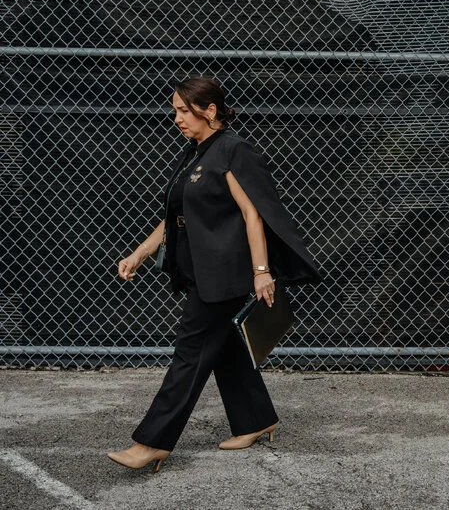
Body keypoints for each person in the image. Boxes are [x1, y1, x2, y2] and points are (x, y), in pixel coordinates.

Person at [108, 77, 322, 472]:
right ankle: (257, 419)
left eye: (183, 111)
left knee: (190, 354)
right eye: (174, 111)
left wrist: (262, 272)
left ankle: (151, 442)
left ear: (210, 110)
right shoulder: (194, 153)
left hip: (225, 275)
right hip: (201, 270)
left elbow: (253, 213)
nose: (176, 119)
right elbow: (176, 216)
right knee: (225, 349)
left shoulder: (232, 150)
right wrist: (139, 253)